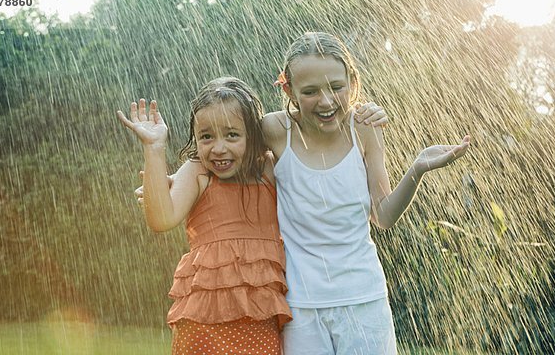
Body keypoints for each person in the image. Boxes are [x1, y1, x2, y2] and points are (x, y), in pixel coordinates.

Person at [261, 32, 470, 354]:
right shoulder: (275, 130)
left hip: (363, 299)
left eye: (336, 86)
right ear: (288, 89)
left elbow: (383, 215)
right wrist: (177, 177)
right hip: (301, 303)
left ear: (352, 82)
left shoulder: (364, 129)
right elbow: (222, 149)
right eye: (310, 91)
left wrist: (417, 168)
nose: (327, 101)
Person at [117, 77, 292, 354]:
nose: (218, 148)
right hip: (202, 326)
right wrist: (154, 149)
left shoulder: (270, 170)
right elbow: (161, 219)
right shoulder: (198, 171)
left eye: (232, 135)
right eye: (206, 136)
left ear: (253, 135)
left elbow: (299, 127)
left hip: (260, 321)